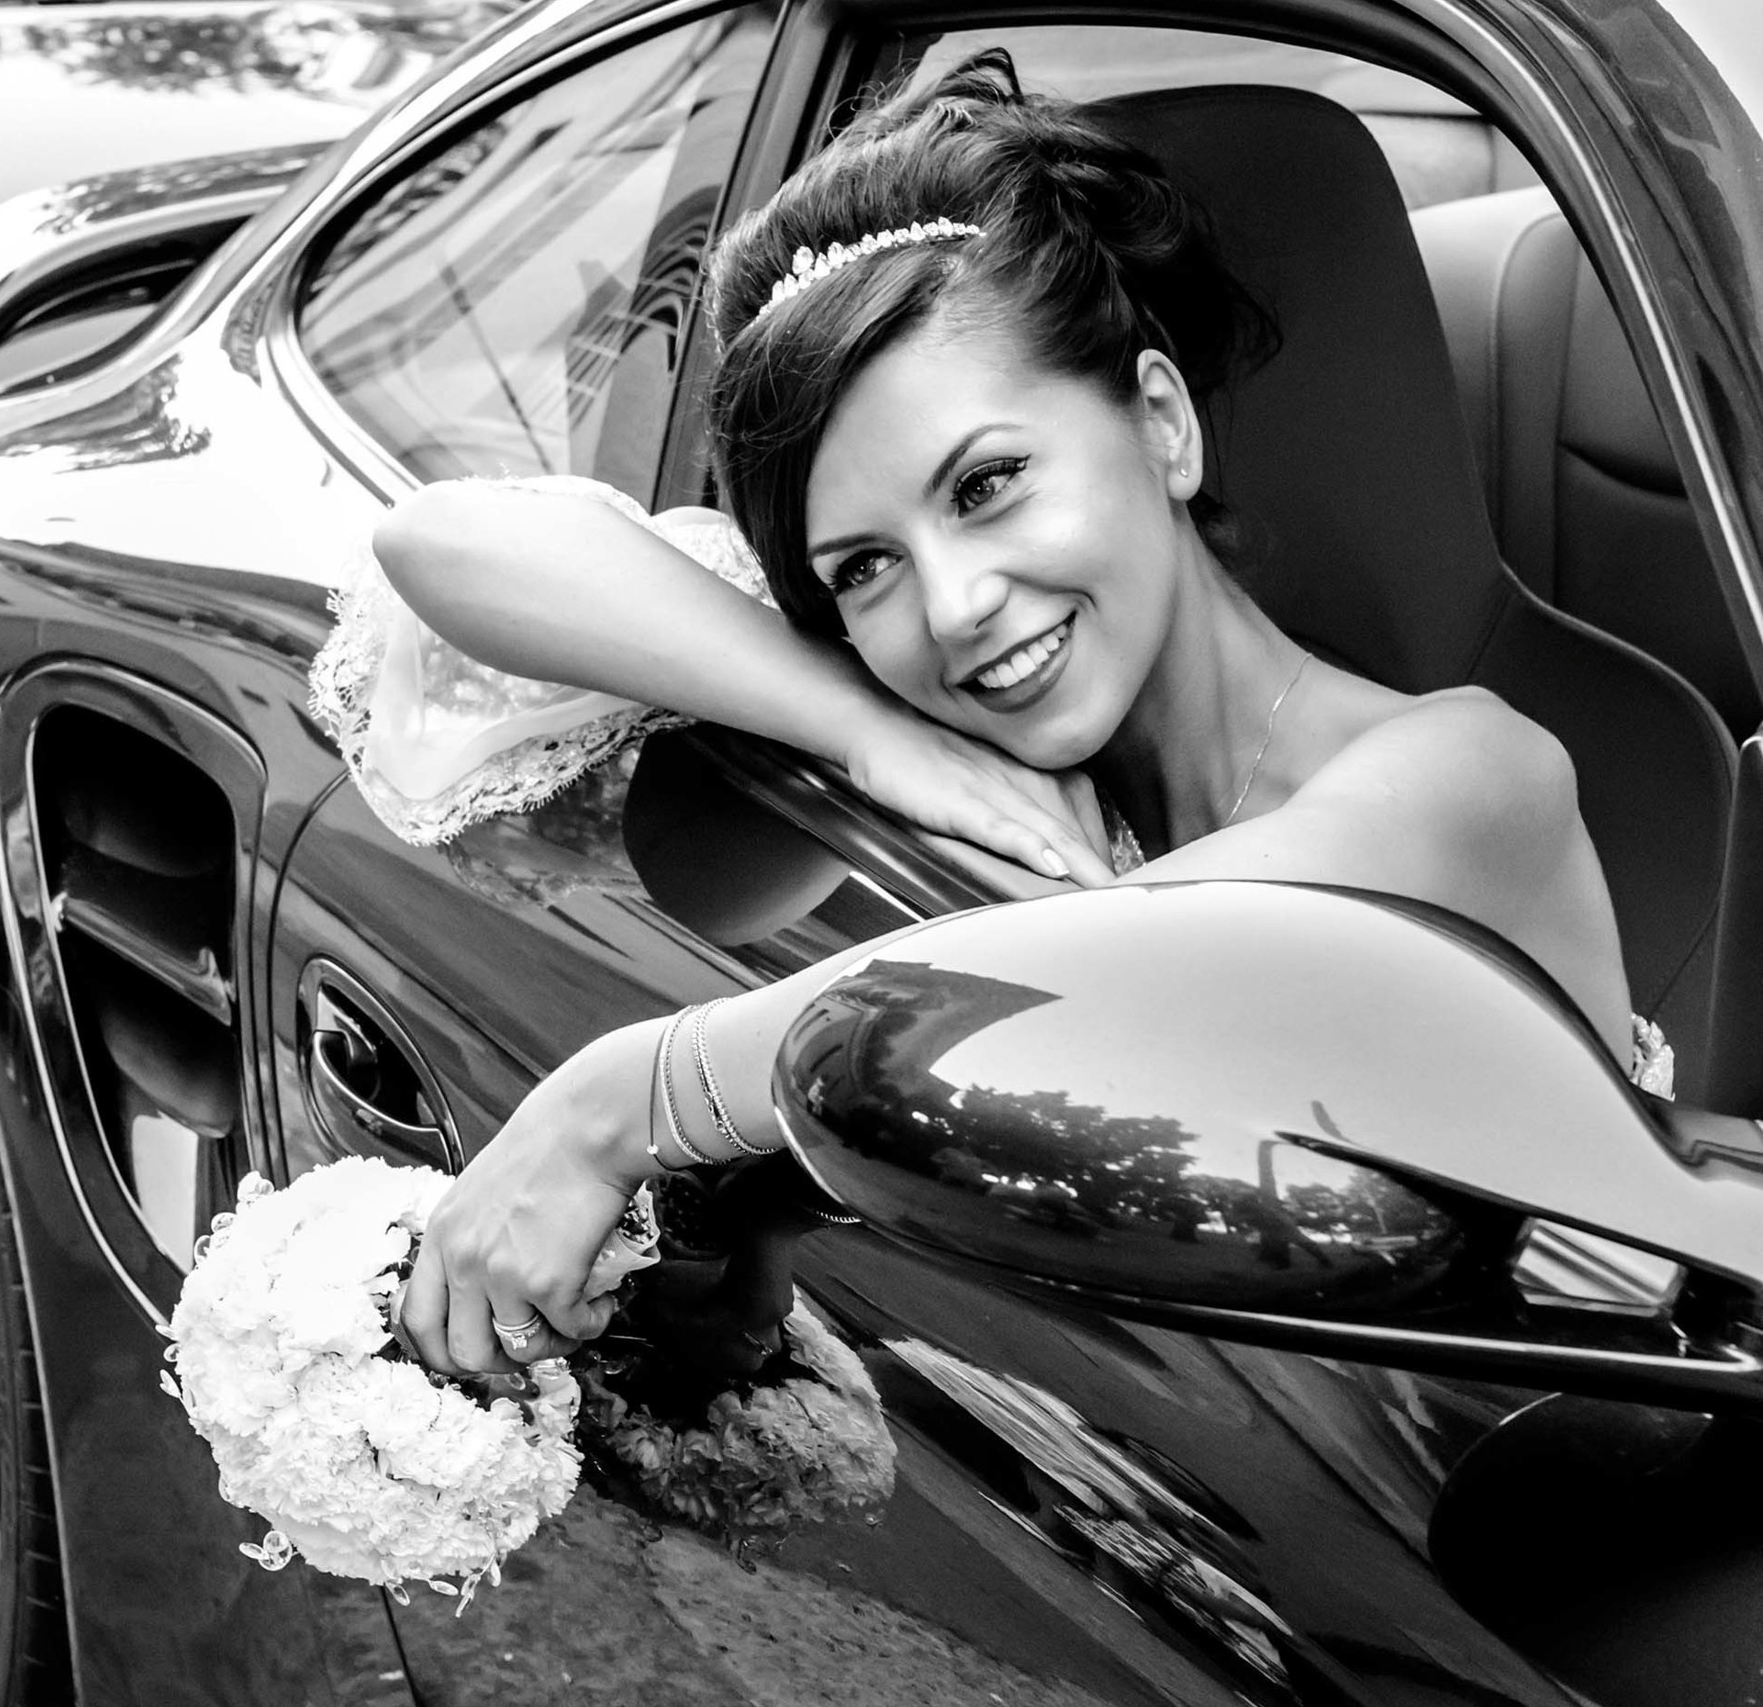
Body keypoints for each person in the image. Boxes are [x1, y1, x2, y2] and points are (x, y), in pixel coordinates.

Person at [362, 52, 1644, 1378]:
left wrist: (617, 1098)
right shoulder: (954, 721)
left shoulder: (1470, 777)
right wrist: (870, 729)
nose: (958, 605)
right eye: (862, 567)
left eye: (987, 485)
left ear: (1161, 421)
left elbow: (1097, 972)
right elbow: (440, 544)